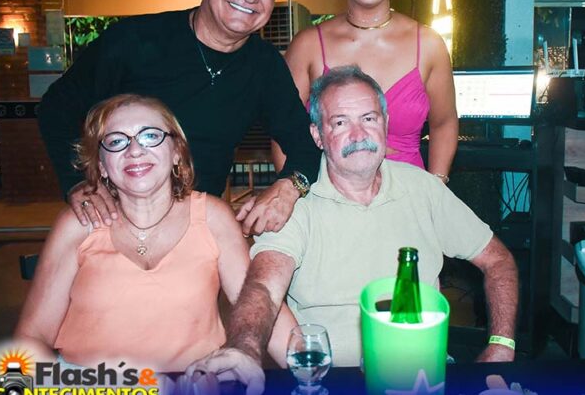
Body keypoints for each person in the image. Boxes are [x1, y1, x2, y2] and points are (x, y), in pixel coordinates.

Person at [187, 66, 518, 389]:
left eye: (369, 119)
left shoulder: (423, 188)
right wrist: (244, 347)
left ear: (385, 123)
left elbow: (498, 260)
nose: (359, 136)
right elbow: (263, 286)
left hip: (421, 376)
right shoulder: (293, 201)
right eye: (340, 122)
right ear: (317, 136)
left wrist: (501, 344)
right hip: (331, 380)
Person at [38, 0, 320, 236]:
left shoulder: (264, 65)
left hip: (195, 227)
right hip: (114, 220)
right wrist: (78, 181)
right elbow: (56, 107)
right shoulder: (135, 40)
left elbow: (304, 144)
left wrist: (289, 187)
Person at [16, 94, 295, 371]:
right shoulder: (80, 223)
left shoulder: (212, 217)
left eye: (150, 136)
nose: (134, 150)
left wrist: (307, 365)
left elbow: (257, 303)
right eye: (116, 141)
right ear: (101, 166)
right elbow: (32, 335)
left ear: (177, 152)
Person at [271, 0, 457, 183]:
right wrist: (296, 190)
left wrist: (436, 188)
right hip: (329, 193)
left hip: (409, 192)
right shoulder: (307, 45)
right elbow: (283, 131)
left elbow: (444, 123)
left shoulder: (429, 44)